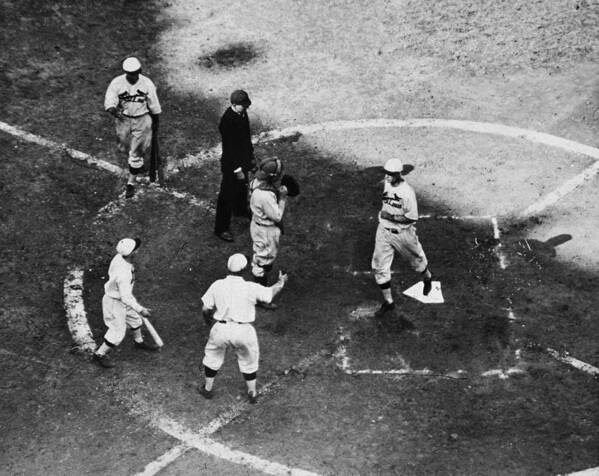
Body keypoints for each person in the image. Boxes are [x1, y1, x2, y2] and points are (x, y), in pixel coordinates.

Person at [198, 253, 288, 403]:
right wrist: (281, 282)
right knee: (249, 360)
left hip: (221, 328)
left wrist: (209, 323)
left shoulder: (217, 284)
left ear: (228, 268)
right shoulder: (250, 287)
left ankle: (207, 389)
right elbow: (269, 295)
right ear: (244, 270)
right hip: (244, 331)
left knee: (212, 357)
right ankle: (252, 392)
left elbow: (205, 309)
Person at [371, 158, 433, 318]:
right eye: (386, 174)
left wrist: (390, 215)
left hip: (403, 234)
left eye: (391, 174)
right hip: (383, 231)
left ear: (398, 174)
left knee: (417, 262)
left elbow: (412, 218)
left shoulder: (407, 193)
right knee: (379, 267)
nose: (387, 177)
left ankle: (427, 278)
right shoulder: (387, 182)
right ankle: (389, 302)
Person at [92, 238, 159, 368]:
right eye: (136, 249)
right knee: (117, 332)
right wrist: (141, 309)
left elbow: (126, 297)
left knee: (135, 320)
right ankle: (99, 354)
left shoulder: (119, 257)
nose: (138, 250)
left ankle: (138, 342)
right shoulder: (124, 274)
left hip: (122, 298)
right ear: (132, 253)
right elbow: (126, 298)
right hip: (115, 303)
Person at [104, 56, 162, 198]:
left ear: (139, 71)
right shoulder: (117, 83)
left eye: (135, 72)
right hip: (123, 119)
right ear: (125, 72)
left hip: (142, 119)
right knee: (123, 147)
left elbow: (154, 105)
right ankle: (137, 160)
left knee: (136, 153)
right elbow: (110, 100)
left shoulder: (147, 84)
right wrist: (113, 109)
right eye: (130, 73)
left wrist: (155, 121)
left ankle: (131, 182)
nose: (133, 75)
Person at [214, 90, 256, 242]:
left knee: (242, 187)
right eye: (243, 106)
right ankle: (221, 228)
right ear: (234, 105)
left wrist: (250, 157)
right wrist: (238, 170)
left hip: (243, 160)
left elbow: (246, 138)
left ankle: (240, 210)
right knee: (226, 195)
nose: (246, 108)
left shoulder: (242, 114)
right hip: (232, 164)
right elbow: (230, 150)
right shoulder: (228, 122)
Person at [248, 157, 288, 309]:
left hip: (259, 225)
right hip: (265, 230)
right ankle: (261, 298)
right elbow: (277, 216)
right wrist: (283, 198)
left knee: (263, 259)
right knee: (262, 262)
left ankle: (261, 280)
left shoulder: (257, 183)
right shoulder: (264, 195)